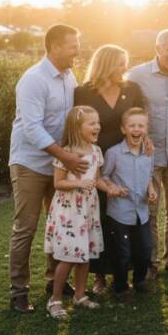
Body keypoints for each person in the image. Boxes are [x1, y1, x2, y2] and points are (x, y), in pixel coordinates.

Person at [8, 24, 88, 313]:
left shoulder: (69, 77)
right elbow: (32, 128)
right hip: (30, 163)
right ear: (54, 46)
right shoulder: (33, 80)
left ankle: (55, 281)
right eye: (73, 45)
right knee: (26, 228)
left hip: (58, 164)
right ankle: (18, 292)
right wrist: (65, 158)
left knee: (61, 225)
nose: (78, 50)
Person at [74, 44, 146, 294]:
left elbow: (141, 118)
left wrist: (146, 143)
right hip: (94, 159)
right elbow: (75, 125)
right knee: (99, 216)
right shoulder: (83, 93)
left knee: (122, 215)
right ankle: (99, 275)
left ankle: (124, 270)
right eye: (120, 63)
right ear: (105, 64)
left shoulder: (132, 89)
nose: (124, 69)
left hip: (127, 160)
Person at [127, 29, 168, 278]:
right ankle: (150, 261)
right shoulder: (138, 74)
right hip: (147, 155)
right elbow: (129, 110)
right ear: (158, 49)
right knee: (149, 210)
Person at [44, 106, 106, 319]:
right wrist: (79, 184)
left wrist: (111, 188)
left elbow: (96, 180)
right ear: (77, 127)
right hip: (69, 212)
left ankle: (80, 295)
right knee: (69, 256)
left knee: (85, 253)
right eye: (91, 123)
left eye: (97, 122)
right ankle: (55, 299)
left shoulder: (96, 152)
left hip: (88, 210)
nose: (97, 126)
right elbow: (58, 183)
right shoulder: (67, 153)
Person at [102, 107, 158, 298]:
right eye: (132, 125)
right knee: (122, 253)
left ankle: (140, 281)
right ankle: (120, 287)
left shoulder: (149, 152)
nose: (136, 129)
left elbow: (149, 175)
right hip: (119, 212)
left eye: (140, 125)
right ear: (123, 129)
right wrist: (113, 188)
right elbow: (103, 176)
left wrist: (151, 190)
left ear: (146, 128)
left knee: (145, 249)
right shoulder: (114, 153)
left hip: (141, 211)